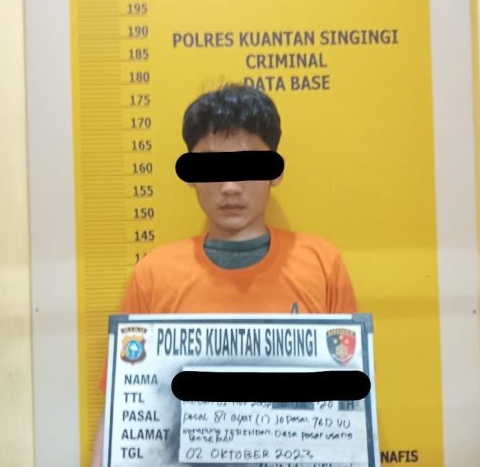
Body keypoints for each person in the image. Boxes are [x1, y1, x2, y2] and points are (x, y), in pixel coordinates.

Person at [90, 83, 357, 465]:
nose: (230, 187)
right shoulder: (153, 274)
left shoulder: (322, 264)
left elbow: (351, 410)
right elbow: (124, 408)